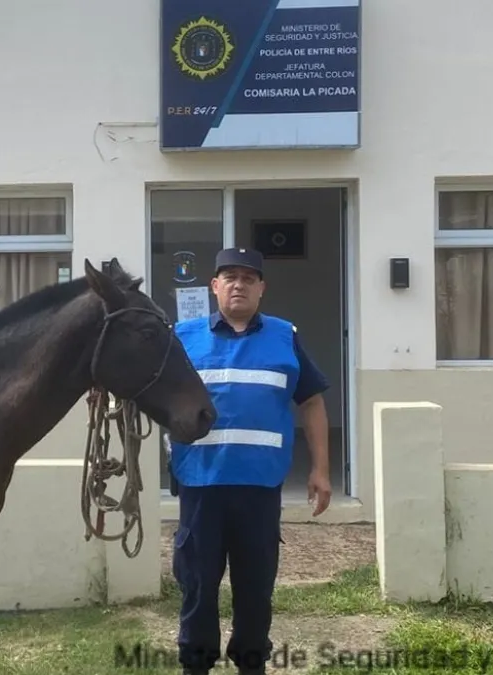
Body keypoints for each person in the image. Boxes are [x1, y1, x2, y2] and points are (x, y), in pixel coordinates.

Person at [167, 247, 332, 675]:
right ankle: (196, 665)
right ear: (214, 286)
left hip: (259, 488)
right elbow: (148, 389)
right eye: (229, 276)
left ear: (261, 288)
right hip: (200, 485)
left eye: (247, 277)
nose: (238, 284)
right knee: (199, 588)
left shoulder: (284, 336)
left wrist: (320, 470)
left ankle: (251, 664)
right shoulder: (182, 338)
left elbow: (311, 402)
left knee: (255, 589)